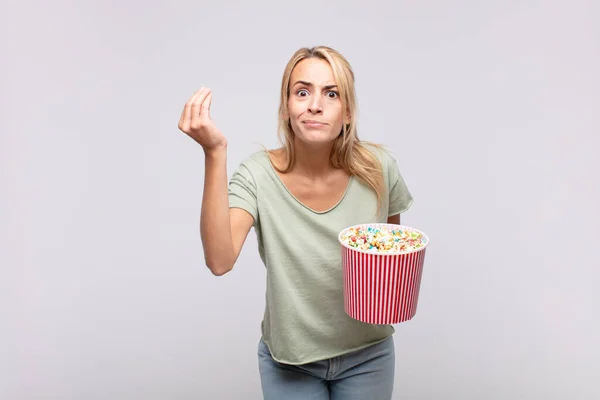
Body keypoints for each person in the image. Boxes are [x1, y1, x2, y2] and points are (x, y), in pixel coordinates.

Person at [177, 46, 413, 400]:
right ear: (287, 107)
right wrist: (215, 152)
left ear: (347, 112)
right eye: (302, 92)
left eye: (331, 94)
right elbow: (220, 260)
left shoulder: (380, 169)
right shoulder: (257, 174)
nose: (314, 104)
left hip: (369, 355)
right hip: (290, 363)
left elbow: (393, 252)